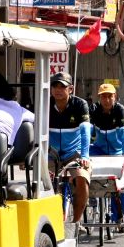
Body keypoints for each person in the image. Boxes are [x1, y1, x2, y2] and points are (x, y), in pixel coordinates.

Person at [48, 72, 91, 224]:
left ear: (71, 89)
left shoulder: (80, 105)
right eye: (55, 86)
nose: (58, 90)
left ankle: (76, 223)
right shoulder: (44, 104)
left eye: (62, 86)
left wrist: (85, 156)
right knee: (43, 184)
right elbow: (36, 129)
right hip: (51, 155)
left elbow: (86, 132)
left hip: (74, 154)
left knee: (82, 179)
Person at [90, 83, 124, 156]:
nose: (107, 100)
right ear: (99, 97)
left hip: (117, 151)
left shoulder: (119, 109)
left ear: (115, 96)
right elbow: (87, 131)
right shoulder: (94, 108)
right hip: (98, 149)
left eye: (110, 96)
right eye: (103, 97)